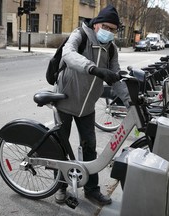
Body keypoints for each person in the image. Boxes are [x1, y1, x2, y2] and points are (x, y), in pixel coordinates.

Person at [54, 5, 129, 205]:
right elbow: (68, 55)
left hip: (87, 107)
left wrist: (130, 101)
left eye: (113, 29)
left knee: (90, 148)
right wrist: (93, 69)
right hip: (64, 100)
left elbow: (116, 77)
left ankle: (91, 189)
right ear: (96, 24)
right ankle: (60, 187)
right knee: (61, 147)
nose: (109, 32)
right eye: (106, 26)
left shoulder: (111, 49)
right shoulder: (80, 35)